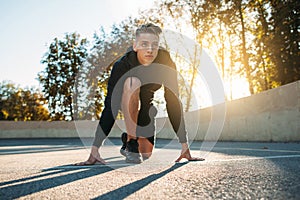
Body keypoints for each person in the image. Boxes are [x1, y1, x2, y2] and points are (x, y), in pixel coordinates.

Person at [76, 23, 204, 165]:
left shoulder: (165, 62)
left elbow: (173, 101)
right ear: (135, 46)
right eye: (144, 44)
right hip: (126, 101)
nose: (150, 50)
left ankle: (128, 139)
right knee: (132, 82)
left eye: (154, 45)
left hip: (146, 106)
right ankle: (131, 142)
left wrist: (184, 145)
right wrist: (95, 148)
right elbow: (109, 107)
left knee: (147, 154)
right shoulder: (122, 65)